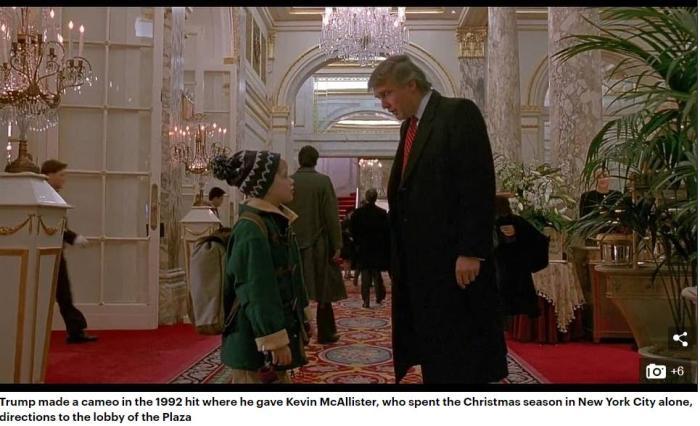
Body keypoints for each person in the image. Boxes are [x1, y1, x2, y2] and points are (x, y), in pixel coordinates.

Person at [369, 55, 507, 383]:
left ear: (411, 85)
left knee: (461, 353)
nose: (384, 104)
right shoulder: (409, 127)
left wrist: (471, 250)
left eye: (387, 94)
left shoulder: (457, 113)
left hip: (454, 263)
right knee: (434, 350)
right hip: (421, 267)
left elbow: (476, 185)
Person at [210, 150, 311, 384]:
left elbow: (291, 278)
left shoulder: (275, 222)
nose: (291, 181)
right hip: (252, 342)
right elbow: (257, 290)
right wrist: (273, 339)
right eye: (284, 175)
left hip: (266, 339)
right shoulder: (251, 229)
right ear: (264, 184)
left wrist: (302, 317)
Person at [286, 145, 347, 344]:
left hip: (292, 244)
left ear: (299, 160)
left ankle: (298, 334)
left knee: (293, 289)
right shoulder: (323, 181)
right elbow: (331, 216)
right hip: (318, 244)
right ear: (316, 160)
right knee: (323, 291)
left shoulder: (289, 181)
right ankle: (326, 333)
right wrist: (337, 244)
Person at [41, 159, 97, 344]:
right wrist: (74, 237)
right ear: (49, 175)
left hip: (54, 251)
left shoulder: (51, 195)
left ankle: (76, 331)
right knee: (61, 293)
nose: (64, 178)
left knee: (64, 293)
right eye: (61, 174)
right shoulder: (44, 196)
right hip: (46, 253)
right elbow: (52, 226)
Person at [493, 195, 547, 318]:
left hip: (508, 270)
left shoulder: (516, 222)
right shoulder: (516, 221)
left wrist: (517, 232)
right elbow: (539, 240)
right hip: (510, 270)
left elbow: (538, 240)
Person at [350, 188, 390, 308]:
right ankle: (379, 296)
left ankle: (366, 300)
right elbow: (386, 232)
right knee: (376, 273)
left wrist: (357, 243)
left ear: (366, 198)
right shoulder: (382, 213)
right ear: (376, 198)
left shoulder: (358, 213)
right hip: (377, 247)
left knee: (365, 274)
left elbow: (353, 230)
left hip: (363, 247)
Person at [340, 207, 357, 282]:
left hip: (350, 243)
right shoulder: (344, 222)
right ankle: (346, 274)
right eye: (351, 213)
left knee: (350, 259)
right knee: (346, 259)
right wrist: (348, 235)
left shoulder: (352, 222)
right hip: (345, 243)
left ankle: (349, 273)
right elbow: (342, 231)